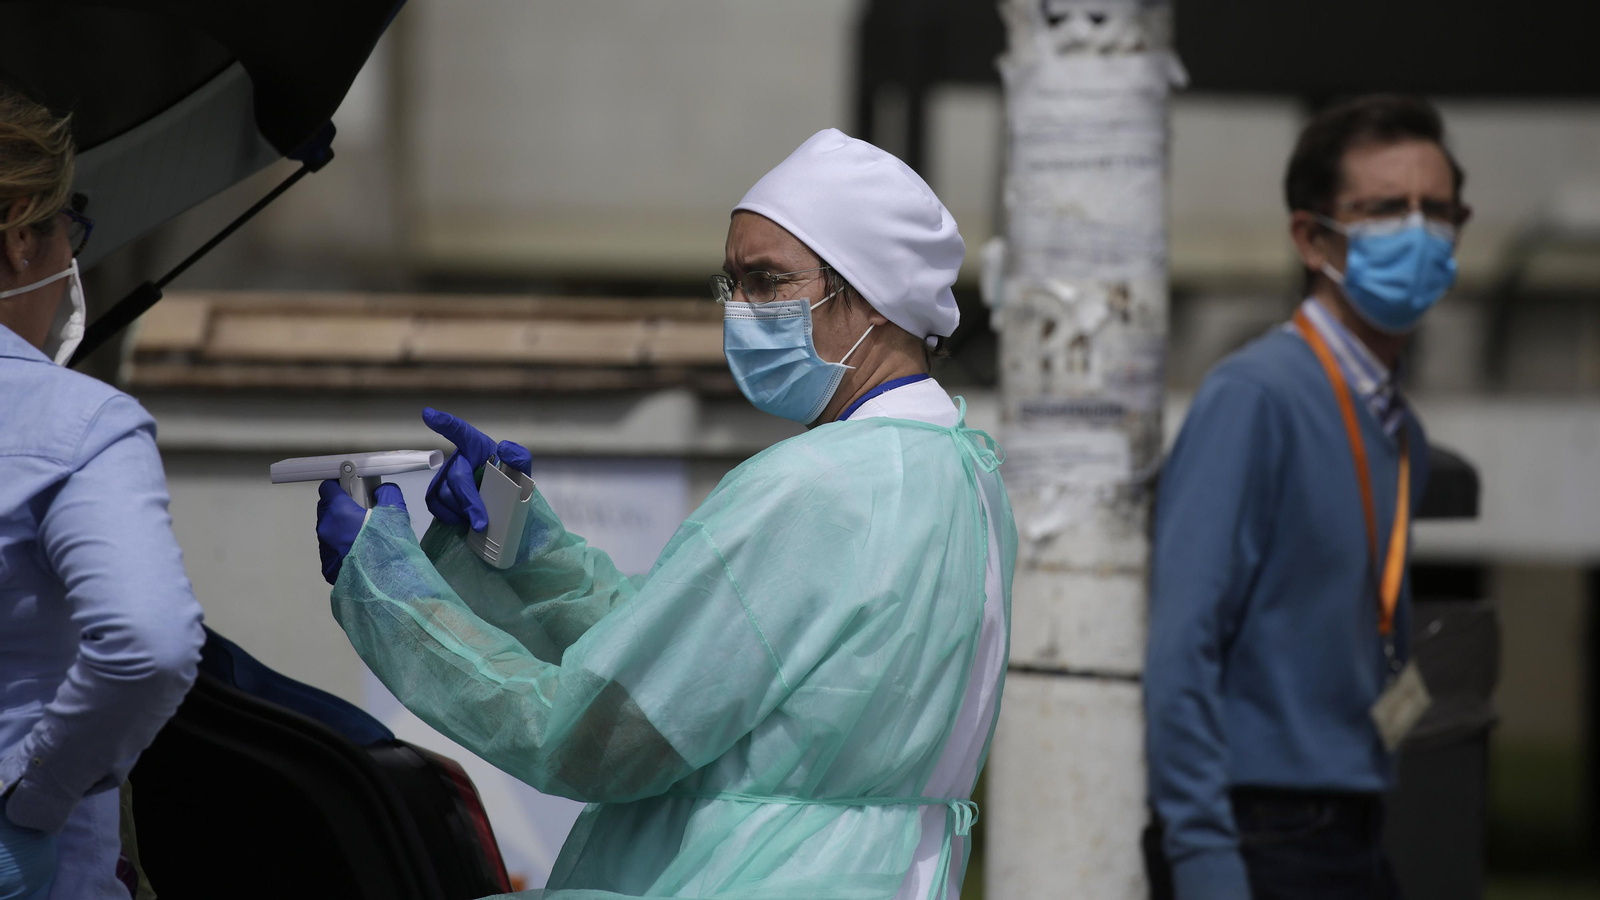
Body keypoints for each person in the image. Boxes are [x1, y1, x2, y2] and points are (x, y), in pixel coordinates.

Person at [313, 128, 1015, 900]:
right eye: (731, 281)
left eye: (769, 281)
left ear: (873, 294)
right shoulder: (963, 472)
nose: (740, 310)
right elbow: (682, 648)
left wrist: (388, 594)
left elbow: (594, 733)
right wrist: (513, 538)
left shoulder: (815, 486)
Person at [1145, 94, 1468, 900]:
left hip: (1353, 822)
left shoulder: (1399, 427)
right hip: (1261, 833)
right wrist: (1203, 854)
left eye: (1438, 210)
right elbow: (1183, 644)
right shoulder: (1255, 397)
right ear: (1312, 235)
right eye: (1385, 210)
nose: (1418, 232)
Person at [0, 84, 205, 899]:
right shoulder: (78, 424)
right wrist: (35, 798)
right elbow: (148, 643)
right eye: (68, 230)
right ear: (20, 234)